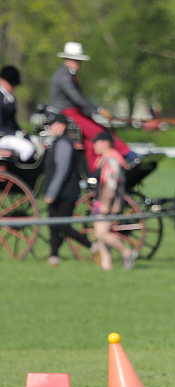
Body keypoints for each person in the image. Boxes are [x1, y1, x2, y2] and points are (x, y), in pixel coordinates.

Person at [49, 42, 139, 170]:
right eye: (77, 60)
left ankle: (95, 170)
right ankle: (129, 155)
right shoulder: (64, 76)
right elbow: (77, 98)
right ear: (68, 59)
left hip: (75, 112)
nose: (79, 63)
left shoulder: (68, 74)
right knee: (101, 133)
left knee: (91, 142)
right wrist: (99, 110)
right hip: (69, 114)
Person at [42, 113, 95, 266]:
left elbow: (62, 171)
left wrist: (52, 193)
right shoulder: (60, 142)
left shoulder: (63, 144)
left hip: (66, 193)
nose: (50, 128)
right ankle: (53, 256)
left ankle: (92, 246)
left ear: (61, 126)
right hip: (63, 192)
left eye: (53, 125)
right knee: (53, 224)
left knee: (62, 225)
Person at [92, 130, 137, 271]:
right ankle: (107, 266)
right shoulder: (109, 158)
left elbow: (111, 183)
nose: (94, 146)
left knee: (101, 233)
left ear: (106, 143)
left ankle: (126, 252)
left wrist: (105, 203)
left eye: (97, 143)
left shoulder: (111, 159)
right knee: (102, 235)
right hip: (105, 202)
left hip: (108, 204)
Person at [0, 65, 37, 162]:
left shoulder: (10, 98)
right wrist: (15, 133)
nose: (13, 87)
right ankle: (19, 170)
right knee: (28, 148)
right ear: (3, 81)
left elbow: (12, 122)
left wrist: (21, 131)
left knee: (36, 141)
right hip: (2, 136)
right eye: (11, 84)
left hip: (10, 134)